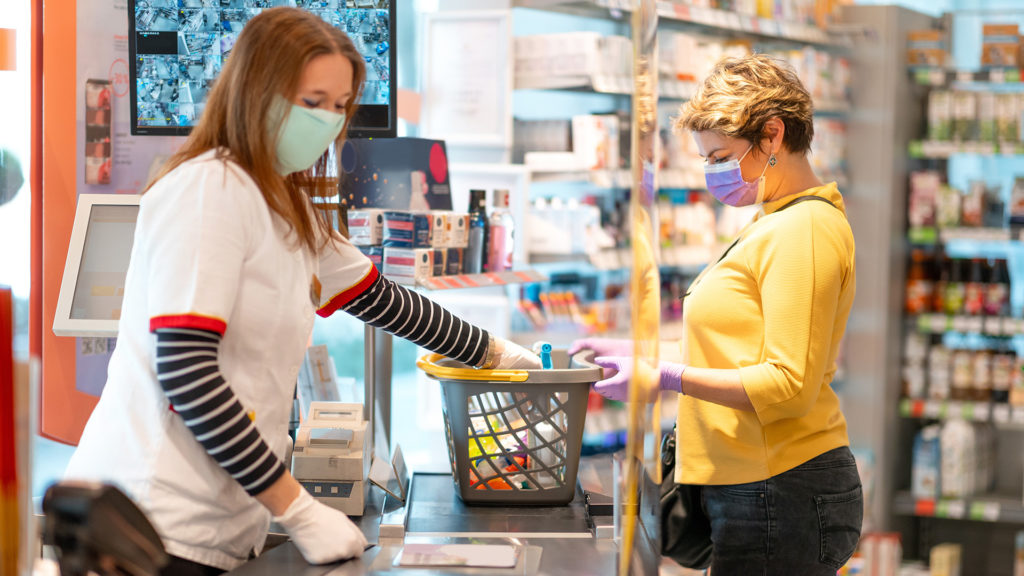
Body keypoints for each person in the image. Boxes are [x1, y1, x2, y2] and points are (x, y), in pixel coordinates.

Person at [65, 8, 539, 575]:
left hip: (217, 522)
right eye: (312, 102)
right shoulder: (207, 189)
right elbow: (187, 371)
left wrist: (498, 355)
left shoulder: (283, 203)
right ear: (255, 91)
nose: (328, 122)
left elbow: (382, 300)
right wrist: (298, 509)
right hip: (150, 522)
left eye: (340, 107)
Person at [572, 54, 861, 574]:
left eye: (721, 155)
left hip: (780, 486)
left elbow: (787, 382)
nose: (713, 172)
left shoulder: (803, 230)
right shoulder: (775, 219)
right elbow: (741, 349)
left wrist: (666, 376)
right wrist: (642, 353)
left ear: (773, 135)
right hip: (755, 484)